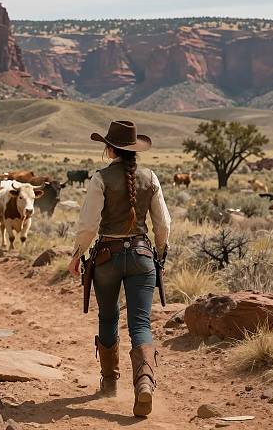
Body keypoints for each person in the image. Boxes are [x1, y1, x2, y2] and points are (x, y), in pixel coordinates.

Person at [69, 120, 170, 417]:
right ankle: (144, 385)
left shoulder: (100, 178)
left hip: (106, 259)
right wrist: (160, 252)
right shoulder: (150, 178)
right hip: (141, 257)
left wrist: (77, 254)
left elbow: (88, 225)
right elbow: (163, 224)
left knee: (109, 315)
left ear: (110, 149)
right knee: (141, 324)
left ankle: (110, 383)